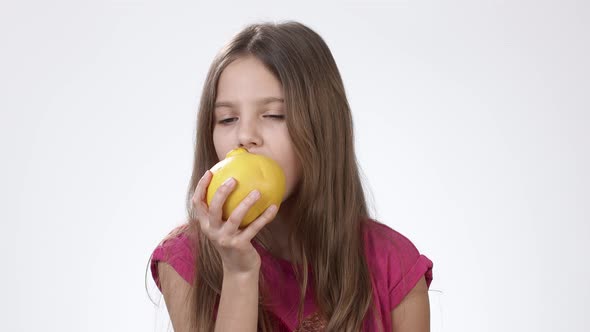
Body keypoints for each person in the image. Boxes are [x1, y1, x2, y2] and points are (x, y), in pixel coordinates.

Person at [148, 20, 433, 332]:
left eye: (273, 115)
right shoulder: (185, 260)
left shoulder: (395, 267)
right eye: (227, 119)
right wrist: (239, 274)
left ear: (323, 128)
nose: (245, 136)